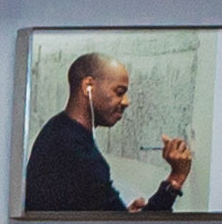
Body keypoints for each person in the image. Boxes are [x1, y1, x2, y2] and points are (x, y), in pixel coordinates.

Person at [26, 47, 190, 213]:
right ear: (88, 86)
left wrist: (117, 214)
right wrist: (176, 179)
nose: (126, 102)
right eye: (119, 92)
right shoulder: (79, 153)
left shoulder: (56, 128)